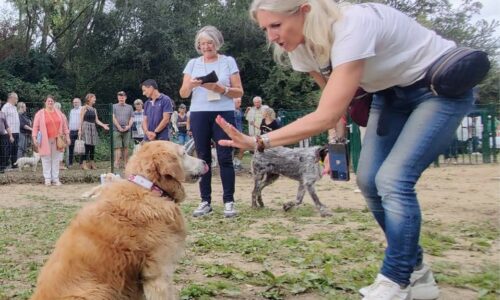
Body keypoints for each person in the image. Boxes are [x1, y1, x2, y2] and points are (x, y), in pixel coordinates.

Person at [215, 1, 475, 299]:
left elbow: (324, 114)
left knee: (392, 179)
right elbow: (332, 99)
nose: (271, 37)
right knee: (368, 180)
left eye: (275, 25)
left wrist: (258, 142)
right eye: (265, 29)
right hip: (388, 95)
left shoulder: (353, 24)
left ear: (305, 10)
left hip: (437, 89)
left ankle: (396, 278)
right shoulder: (300, 47)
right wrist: (335, 144)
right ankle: (417, 272)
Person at [179, 25, 244, 218]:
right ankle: (205, 200)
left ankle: (229, 201)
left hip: (223, 112)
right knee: (203, 159)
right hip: (199, 113)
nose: (206, 47)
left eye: (210, 43)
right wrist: (190, 85)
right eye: (202, 43)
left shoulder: (228, 61)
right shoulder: (192, 64)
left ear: (217, 43)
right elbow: (183, 93)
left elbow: (239, 91)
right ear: (198, 46)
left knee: (224, 157)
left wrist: (221, 89)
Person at [32, 95, 70, 186]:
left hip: (57, 139)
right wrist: (34, 138)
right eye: (48, 101)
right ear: (45, 102)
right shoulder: (40, 113)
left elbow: (65, 126)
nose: (50, 102)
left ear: (54, 102)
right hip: (45, 140)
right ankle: (47, 179)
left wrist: (67, 137)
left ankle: (55, 179)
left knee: (56, 159)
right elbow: (35, 127)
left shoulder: (59, 113)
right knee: (46, 159)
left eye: (52, 101)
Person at [79, 93, 109, 170]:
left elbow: (96, 120)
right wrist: (80, 130)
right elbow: (81, 120)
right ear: (89, 99)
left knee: (92, 146)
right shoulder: (84, 108)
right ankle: (84, 164)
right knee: (86, 146)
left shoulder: (94, 109)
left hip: (92, 127)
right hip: (85, 127)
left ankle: (92, 163)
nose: (95, 99)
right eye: (94, 98)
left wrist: (103, 125)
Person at [112, 91, 134, 168]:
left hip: (127, 129)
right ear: (118, 97)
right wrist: (119, 127)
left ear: (125, 97)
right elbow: (113, 117)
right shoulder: (113, 106)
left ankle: (126, 164)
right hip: (116, 129)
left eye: (123, 96)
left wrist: (129, 126)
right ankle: (117, 163)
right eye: (120, 96)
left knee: (126, 147)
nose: (121, 97)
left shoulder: (130, 107)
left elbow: (132, 117)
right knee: (117, 147)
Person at [2, 92, 20, 169]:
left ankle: (14, 164)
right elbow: (2, 120)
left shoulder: (15, 107)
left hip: (16, 131)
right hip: (9, 132)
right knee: (7, 149)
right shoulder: (5, 107)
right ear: (11, 98)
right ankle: (4, 165)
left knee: (15, 149)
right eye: (16, 98)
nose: (17, 100)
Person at [67, 98, 82, 167]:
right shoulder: (71, 111)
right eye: (74, 102)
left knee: (80, 147)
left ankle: (81, 163)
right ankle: (70, 163)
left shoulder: (82, 109)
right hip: (72, 131)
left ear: (79, 102)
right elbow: (70, 121)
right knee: (71, 147)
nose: (75, 103)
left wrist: (80, 130)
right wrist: (69, 130)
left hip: (79, 131)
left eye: (76, 102)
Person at [233, 97, 245, 170]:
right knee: (232, 149)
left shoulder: (239, 110)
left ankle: (237, 163)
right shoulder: (230, 110)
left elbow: (242, 119)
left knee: (242, 148)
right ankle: (233, 164)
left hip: (240, 132)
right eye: (238, 102)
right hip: (233, 133)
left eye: (240, 102)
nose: (239, 104)